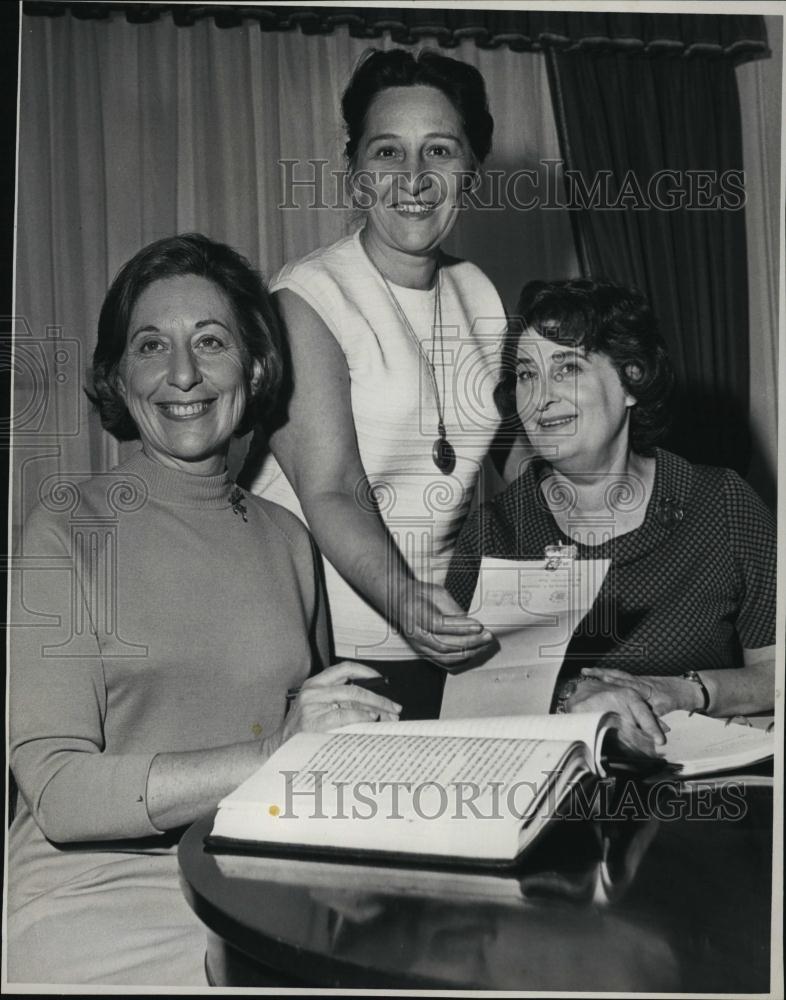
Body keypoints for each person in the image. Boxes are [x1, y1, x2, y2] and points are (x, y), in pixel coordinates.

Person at [7, 234, 400, 987]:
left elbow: (314, 752)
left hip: (254, 885)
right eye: (151, 345)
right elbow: (57, 792)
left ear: (255, 369)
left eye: (211, 342)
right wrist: (269, 757)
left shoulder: (289, 538)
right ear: (119, 376)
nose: (182, 373)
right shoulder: (66, 528)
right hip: (95, 899)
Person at [240, 48, 507, 714]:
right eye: (388, 153)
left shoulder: (479, 291)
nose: (413, 178)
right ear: (356, 174)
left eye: (440, 150)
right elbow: (333, 487)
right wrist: (408, 602)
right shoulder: (306, 296)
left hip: (446, 628)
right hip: (322, 637)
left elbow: (514, 447)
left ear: (471, 170)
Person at [446, 278, 775, 751]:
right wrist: (569, 697)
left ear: (631, 381)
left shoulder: (721, 503)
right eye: (526, 375)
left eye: (567, 368)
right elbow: (466, 704)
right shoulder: (495, 531)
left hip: (706, 784)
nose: (540, 397)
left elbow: (776, 672)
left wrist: (683, 691)